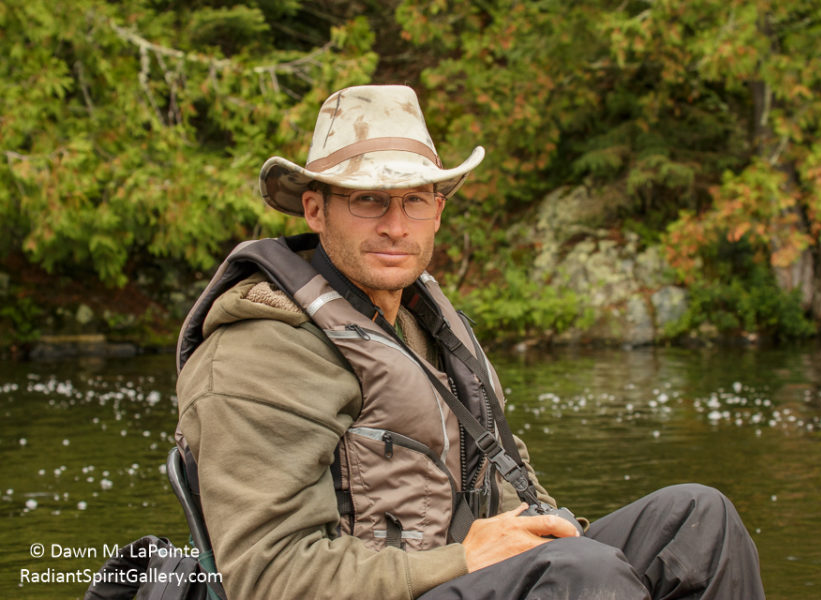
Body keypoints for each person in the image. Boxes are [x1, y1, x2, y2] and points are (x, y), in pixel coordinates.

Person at [174, 84, 765, 599]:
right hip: (402, 586)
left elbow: (503, 487)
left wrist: (537, 536)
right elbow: (265, 578)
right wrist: (468, 559)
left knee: (696, 519)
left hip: (465, 573)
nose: (396, 225)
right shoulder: (258, 354)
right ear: (314, 210)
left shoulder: (421, 323)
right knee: (579, 574)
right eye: (368, 200)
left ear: (438, 211)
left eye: (414, 200)